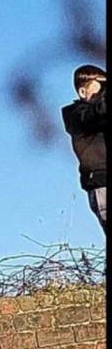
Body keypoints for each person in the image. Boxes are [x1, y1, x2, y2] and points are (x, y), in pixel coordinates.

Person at [62, 64, 107, 232]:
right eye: (100, 85)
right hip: (102, 183)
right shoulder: (76, 115)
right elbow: (98, 112)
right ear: (83, 92)